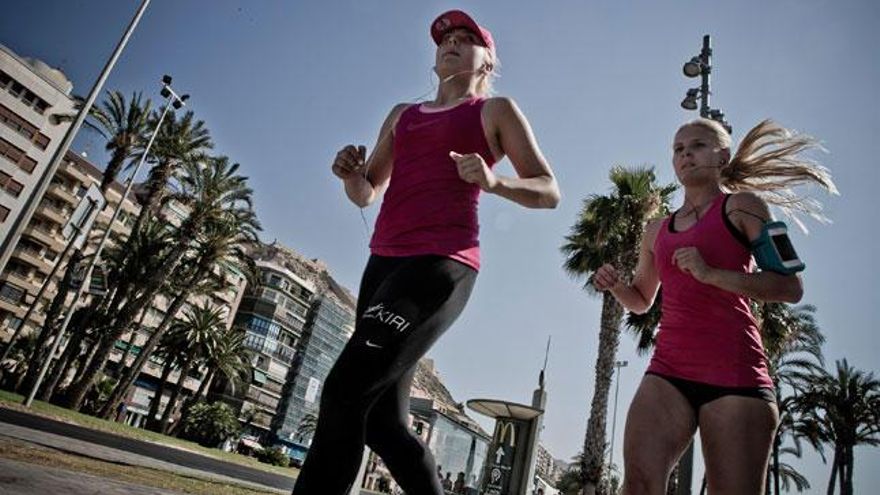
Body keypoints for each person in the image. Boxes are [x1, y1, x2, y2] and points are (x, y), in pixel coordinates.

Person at [291, 10, 560, 495]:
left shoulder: (495, 111)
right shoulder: (402, 115)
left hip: (442, 263)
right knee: (380, 423)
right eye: (444, 40)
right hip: (383, 265)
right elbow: (367, 191)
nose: (451, 44)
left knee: (345, 391)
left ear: (488, 60)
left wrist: (495, 181)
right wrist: (349, 173)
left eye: (465, 39)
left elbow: (549, 189)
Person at [593, 117, 836, 494]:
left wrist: (713, 275)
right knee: (638, 484)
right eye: (678, 149)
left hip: (735, 376)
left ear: (723, 155)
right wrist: (616, 287)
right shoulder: (656, 230)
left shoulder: (744, 207)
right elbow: (642, 301)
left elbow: (791, 287)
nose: (686, 153)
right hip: (669, 371)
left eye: (698, 145)